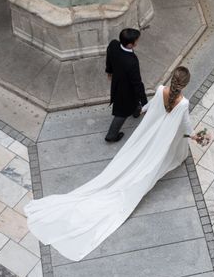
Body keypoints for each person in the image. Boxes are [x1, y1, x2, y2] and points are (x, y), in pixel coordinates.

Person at [25, 67, 201, 261]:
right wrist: (196, 136)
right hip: (161, 139)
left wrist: (141, 110)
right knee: (150, 164)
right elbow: (186, 126)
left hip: (147, 134)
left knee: (135, 158)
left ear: (172, 79)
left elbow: (149, 107)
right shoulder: (183, 103)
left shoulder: (160, 90)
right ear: (185, 84)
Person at [104, 28, 148, 142]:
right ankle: (111, 135)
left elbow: (109, 55)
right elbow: (137, 83)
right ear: (130, 45)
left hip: (118, 82)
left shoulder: (114, 44)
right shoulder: (131, 62)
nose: (137, 42)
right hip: (125, 90)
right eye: (136, 41)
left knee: (132, 103)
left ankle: (136, 110)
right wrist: (145, 103)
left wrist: (109, 71)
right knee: (122, 111)